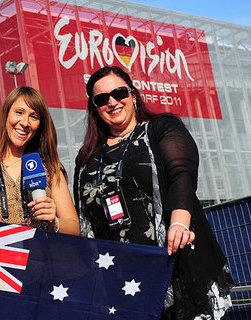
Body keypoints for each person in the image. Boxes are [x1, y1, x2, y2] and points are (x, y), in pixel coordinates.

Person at [73, 65, 233, 319]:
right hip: (122, 280)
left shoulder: (161, 129)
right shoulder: (86, 160)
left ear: (133, 95)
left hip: (172, 263)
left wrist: (179, 224)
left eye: (119, 93)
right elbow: (85, 221)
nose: (113, 102)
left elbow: (181, 172)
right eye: (102, 99)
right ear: (94, 107)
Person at [0, 86, 79, 235]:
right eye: (19, 112)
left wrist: (55, 222)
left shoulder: (50, 167)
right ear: (6, 114)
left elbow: (74, 229)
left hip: (40, 255)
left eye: (34, 117)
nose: (25, 122)